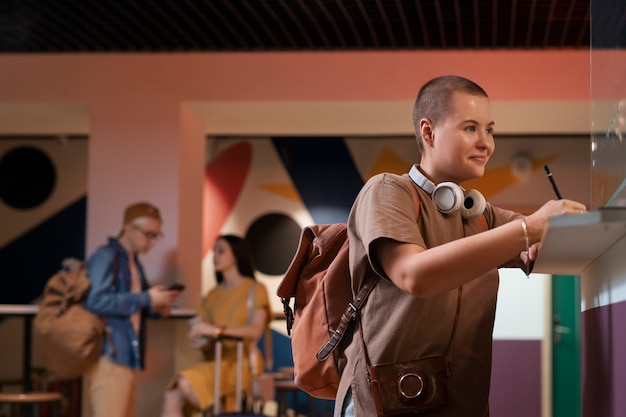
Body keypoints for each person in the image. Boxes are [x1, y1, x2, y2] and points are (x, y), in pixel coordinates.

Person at [336, 75, 587, 417]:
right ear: (428, 132)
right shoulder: (386, 190)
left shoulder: (480, 215)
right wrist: (529, 229)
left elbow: (545, 240)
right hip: (385, 402)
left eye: (490, 130)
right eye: (470, 128)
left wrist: (547, 240)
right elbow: (415, 276)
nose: (486, 143)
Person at [85, 201, 180, 417]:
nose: (152, 241)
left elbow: (135, 305)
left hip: (125, 355)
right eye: (148, 234)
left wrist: (156, 305)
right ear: (128, 229)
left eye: (156, 235)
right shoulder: (107, 256)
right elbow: (96, 301)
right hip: (110, 353)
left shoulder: (133, 262)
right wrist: (147, 297)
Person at [161, 234, 272, 417]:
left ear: (236, 255)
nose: (215, 256)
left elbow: (255, 330)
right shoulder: (212, 295)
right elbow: (203, 332)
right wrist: (199, 337)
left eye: (221, 251)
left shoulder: (255, 290)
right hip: (213, 361)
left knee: (183, 386)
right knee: (174, 394)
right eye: (214, 252)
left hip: (240, 363)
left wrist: (215, 330)